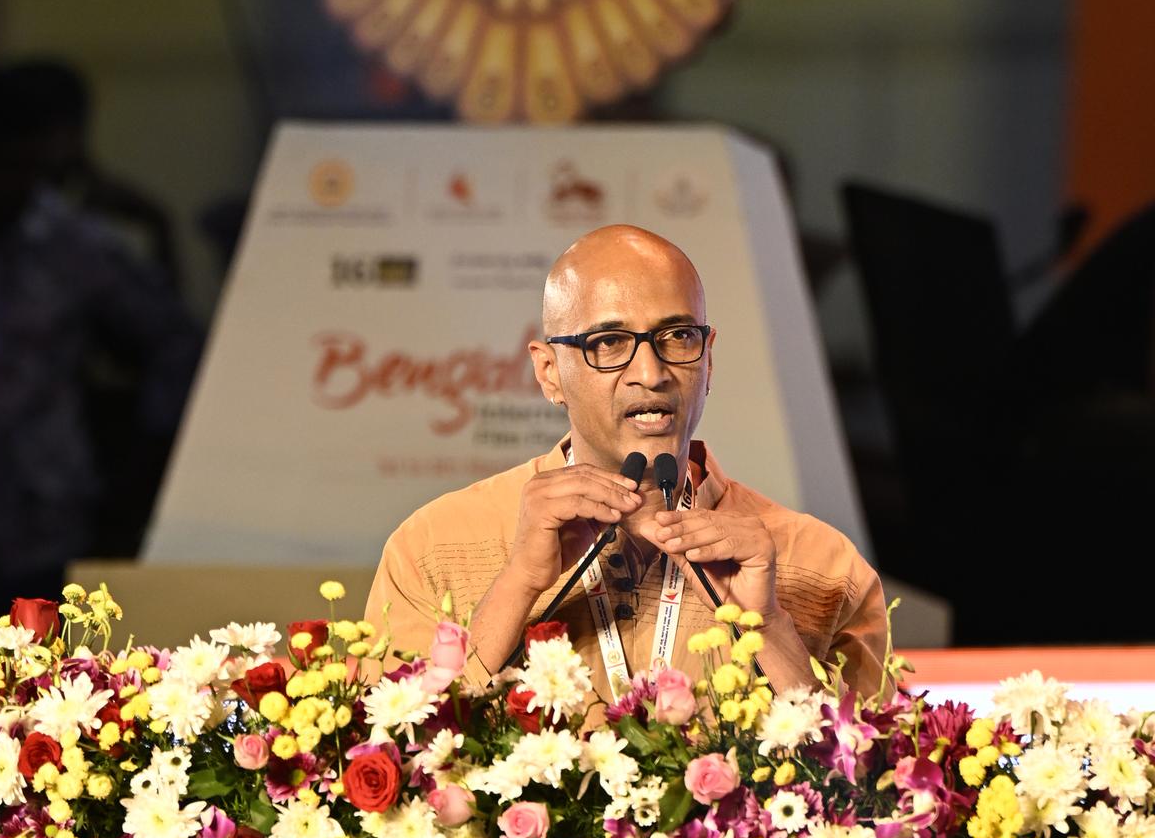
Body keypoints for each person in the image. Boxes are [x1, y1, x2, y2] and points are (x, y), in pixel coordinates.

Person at [365, 223, 887, 700]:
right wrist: (520, 580)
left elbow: (875, 786)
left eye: (678, 336)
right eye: (609, 342)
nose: (650, 372)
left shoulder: (824, 566)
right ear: (549, 373)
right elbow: (393, 758)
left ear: (708, 360)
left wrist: (769, 626)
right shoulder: (431, 548)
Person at [0, 64, 202, 632]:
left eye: (21, 165)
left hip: (40, 525)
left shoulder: (72, 247)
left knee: (30, 705)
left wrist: (139, 468)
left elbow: (175, 346)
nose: (6, 182)